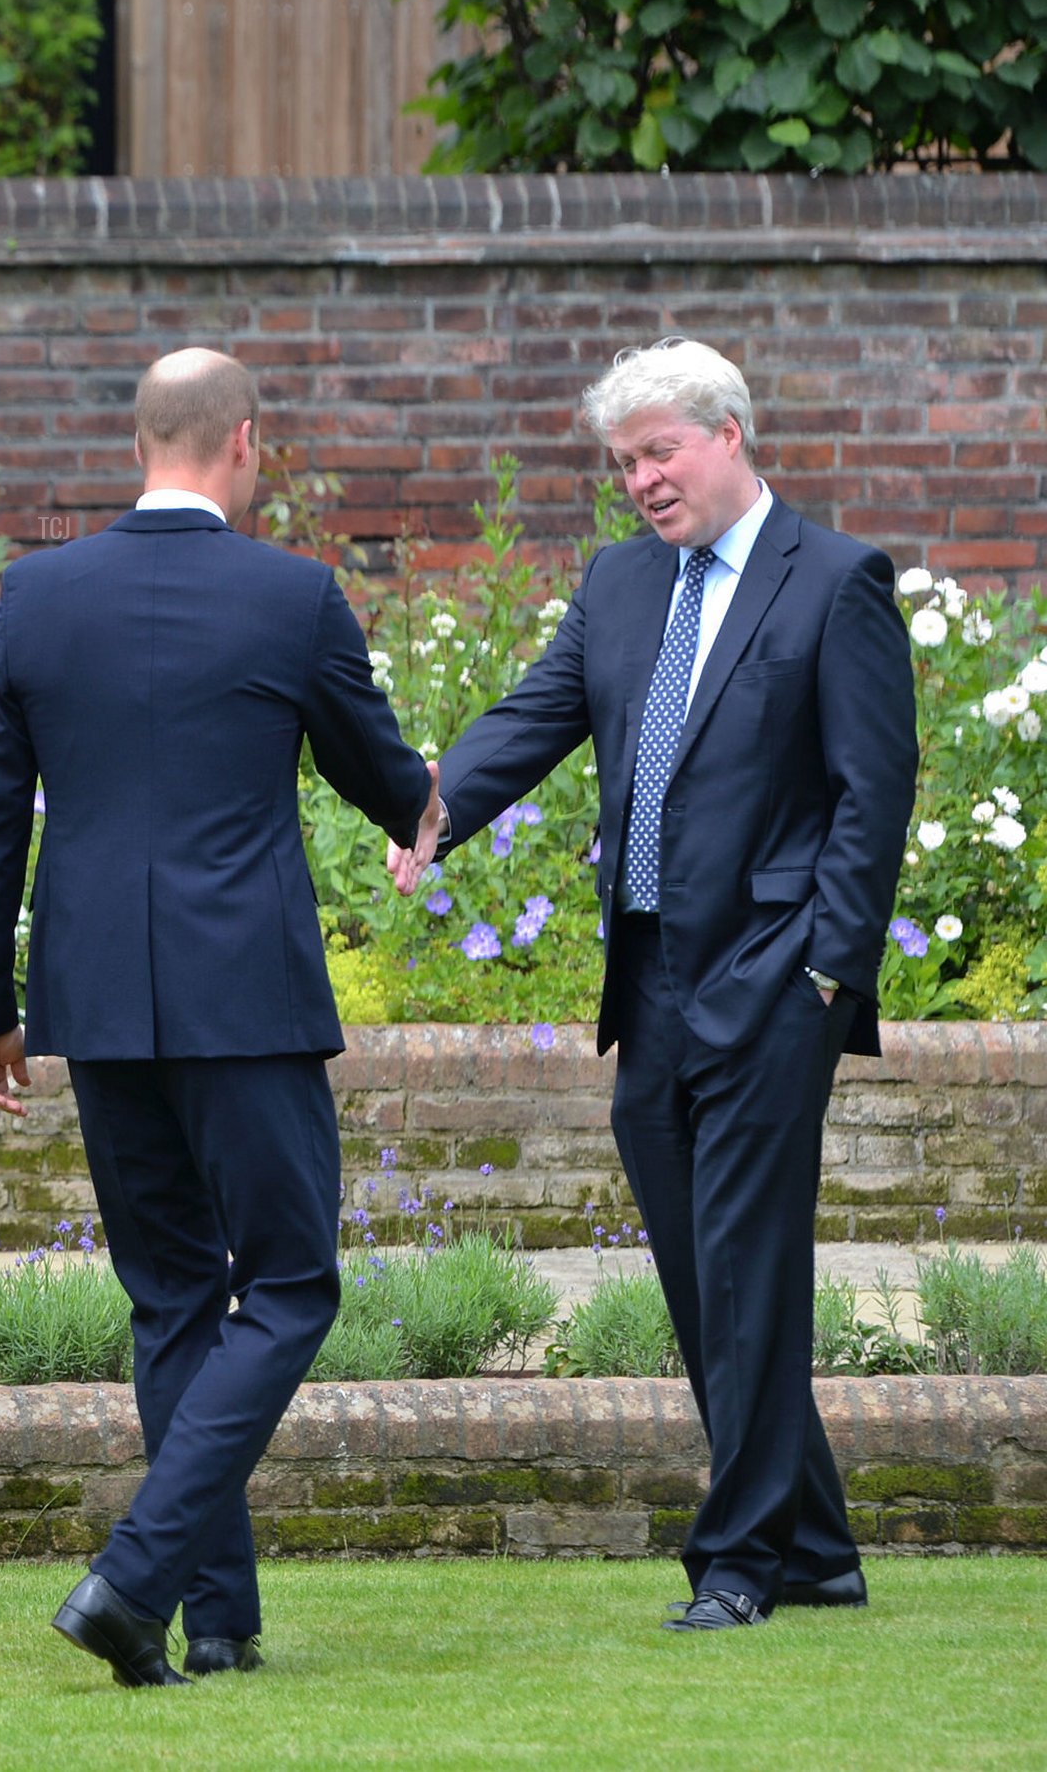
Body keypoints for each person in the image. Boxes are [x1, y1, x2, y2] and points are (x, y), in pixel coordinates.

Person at [389, 337, 917, 1631]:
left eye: (660, 450)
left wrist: (830, 976)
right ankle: (820, 1544)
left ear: (729, 435)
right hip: (657, 987)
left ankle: (737, 1559)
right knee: (705, 1275)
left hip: (779, 977)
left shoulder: (834, 582)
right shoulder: (623, 586)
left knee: (745, 1264)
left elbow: (873, 793)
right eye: (624, 460)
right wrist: (427, 805)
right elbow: (534, 715)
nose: (640, 479)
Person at [0, 346, 439, 1688]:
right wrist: (427, 804)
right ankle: (140, 1575)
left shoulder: (37, 597)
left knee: (172, 1296)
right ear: (245, 443)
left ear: (143, 440)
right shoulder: (292, 594)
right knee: (290, 1281)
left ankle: (214, 1621)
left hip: (97, 1002)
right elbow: (378, 770)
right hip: (247, 1001)